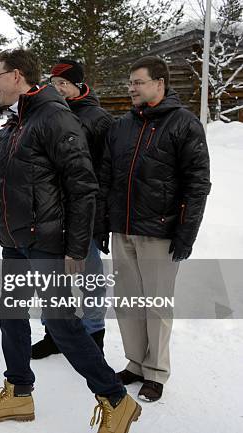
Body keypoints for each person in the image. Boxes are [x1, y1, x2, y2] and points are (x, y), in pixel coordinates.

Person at [0, 48, 140, 433]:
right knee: (13, 317)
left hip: (46, 241)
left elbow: (83, 187)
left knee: (62, 324)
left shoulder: (54, 118)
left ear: (16, 76)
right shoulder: (13, 126)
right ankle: (19, 393)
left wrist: (75, 248)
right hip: (15, 240)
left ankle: (116, 400)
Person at [97, 56, 211, 402]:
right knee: (129, 301)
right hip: (124, 230)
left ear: (159, 83)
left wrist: (186, 233)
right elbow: (106, 178)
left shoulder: (184, 124)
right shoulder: (122, 126)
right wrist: (105, 223)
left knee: (157, 304)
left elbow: (197, 184)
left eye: (138, 82)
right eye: (130, 82)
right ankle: (135, 363)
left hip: (160, 231)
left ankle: (156, 372)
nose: (131, 88)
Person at [31, 59, 114, 359]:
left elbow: (106, 175)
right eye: (54, 84)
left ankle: (94, 335)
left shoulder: (100, 119)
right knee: (54, 281)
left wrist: (100, 218)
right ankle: (54, 334)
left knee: (89, 279)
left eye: (63, 84)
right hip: (52, 213)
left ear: (79, 85)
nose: (58, 89)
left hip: (85, 215)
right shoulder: (48, 114)